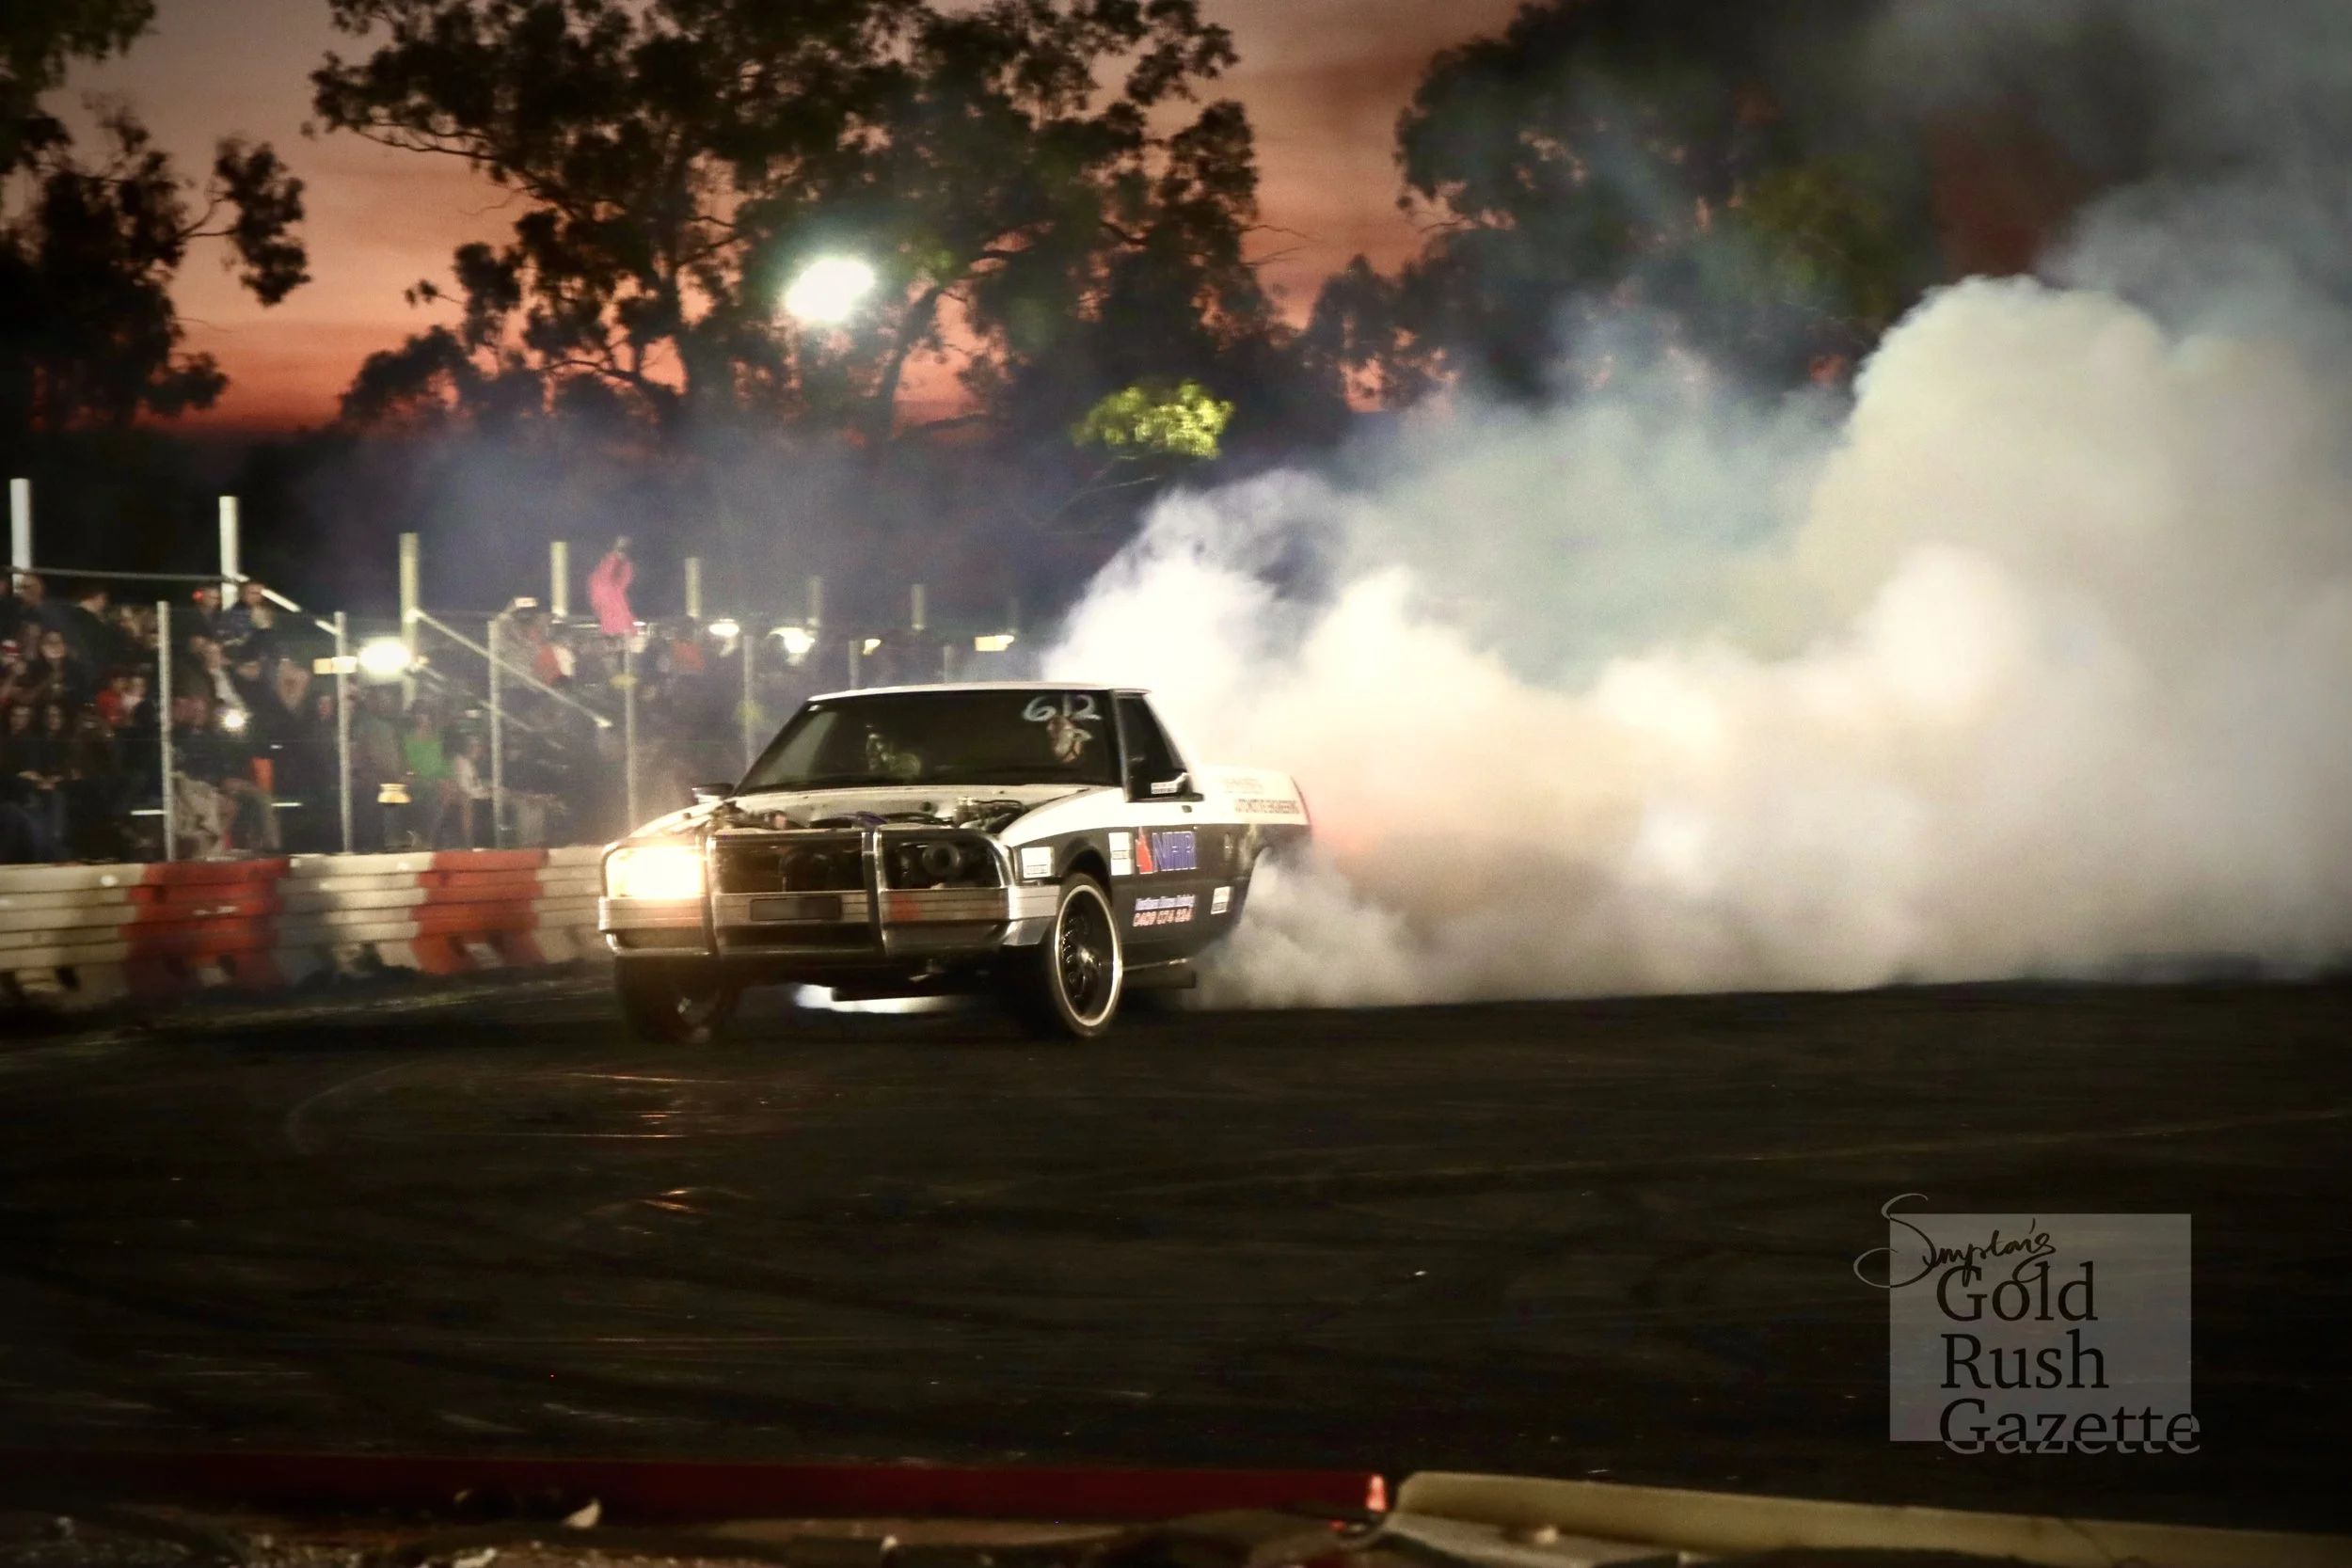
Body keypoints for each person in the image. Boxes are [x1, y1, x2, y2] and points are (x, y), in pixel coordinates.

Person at [400, 708, 462, 847]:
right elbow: (410, 766)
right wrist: (437, 780)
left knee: (461, 795)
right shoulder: (408, 740)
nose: (423, 718)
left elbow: (441, 764)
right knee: (442, 792)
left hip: (438, 779)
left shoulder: (436, 739)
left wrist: (449, 778)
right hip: (418, 781)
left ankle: (465, 845)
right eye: (420, 714)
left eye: (425, 714)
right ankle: (428, 839)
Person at [588, 536, 636, 638]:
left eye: (623, 549)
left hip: (615, 611)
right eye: (619, 548)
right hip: (610, 611)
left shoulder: (624, 567)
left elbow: (625, 577)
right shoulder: (603, 572)